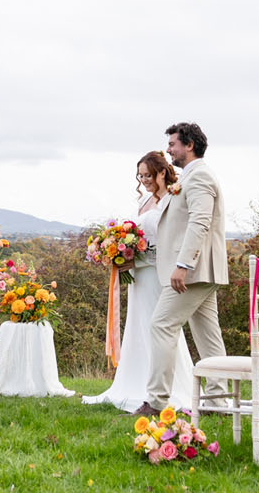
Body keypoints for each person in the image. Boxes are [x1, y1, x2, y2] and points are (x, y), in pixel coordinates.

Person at [82, 151, 194, 412]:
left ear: (162, 172)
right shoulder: (144, 201)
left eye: (148, 174)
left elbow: (169, 244)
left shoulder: (173, 198)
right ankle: (136, 381)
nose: (143, 180)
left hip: (157, 274)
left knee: (160, 328)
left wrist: (138, 261)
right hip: (139, 278)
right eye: (140, 175)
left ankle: (165, 387)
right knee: (138, 325)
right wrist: (119, 253)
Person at [138, 122, 228, 416]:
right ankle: (217, 401)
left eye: (173, 144)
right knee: (208, 335)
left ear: (189, 145)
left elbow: (199, 223)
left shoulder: (200, 176)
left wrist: (183, 265)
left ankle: (156, 402)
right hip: (200, 272)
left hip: (192, 271)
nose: (168, 149)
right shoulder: (189, 177)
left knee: (161, 325)